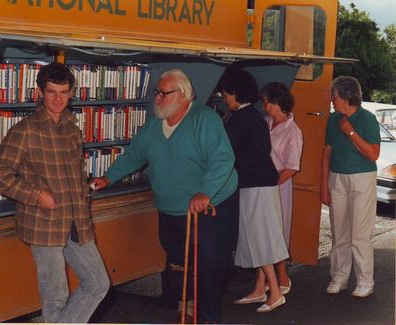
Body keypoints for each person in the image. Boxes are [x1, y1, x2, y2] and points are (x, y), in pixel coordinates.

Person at [91, 69, 239, 323]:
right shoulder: (154, 125)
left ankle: (209, 317)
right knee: (179, 265)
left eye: (164, 93)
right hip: (171, 209)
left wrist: (205, 192)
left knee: (209, 266)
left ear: (183, 95)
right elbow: (135, 155)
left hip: (208, 208)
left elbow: (222, 160)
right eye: (156, 93)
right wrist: (109, 177)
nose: (157, 98)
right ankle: (187, 310)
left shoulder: (204, 119)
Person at [0, 62, 110, 322]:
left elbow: (75, 174)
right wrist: (36, 195)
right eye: (52, 92)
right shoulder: (25, 130)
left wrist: (85, 190)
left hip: (77, 221)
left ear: (71, 92)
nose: (58, 99)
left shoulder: (73, 131)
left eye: (64, 92)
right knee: (55, 298)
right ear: (40, 92)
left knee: (98, 283)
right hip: (44, 224)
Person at [218, 68, 289, 313]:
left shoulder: (241, 118)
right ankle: (260, 289)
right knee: (255, 235)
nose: (224, 98)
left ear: (236, 93)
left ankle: (275, 292)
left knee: (259, 237)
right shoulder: (253, 115)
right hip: (260, 183)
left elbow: (225, 150)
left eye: (226, 94)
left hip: (255, 184)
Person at [320, 76, 380, 298]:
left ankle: (365, 281)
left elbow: (373, 154)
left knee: (359, 234)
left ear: (346, 96)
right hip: (337, 179)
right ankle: (339, 277)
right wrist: (323, 185)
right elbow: (326, 153)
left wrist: (351, 132)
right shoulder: (332, 119)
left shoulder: (367, 119)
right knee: (339, 232)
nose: (332, 101)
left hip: (362, 179)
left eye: (334, 96)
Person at [260, 82, 303, 294]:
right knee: (263, 231)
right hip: (262, 184)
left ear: (277, 102)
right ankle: (267, 279)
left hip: (278, 186)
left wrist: (271, 184)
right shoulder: (266, 123)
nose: (264, 106)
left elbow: (292, 167)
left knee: (277, 230)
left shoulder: (293, 131)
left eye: (267, 102)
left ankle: (283, 277)